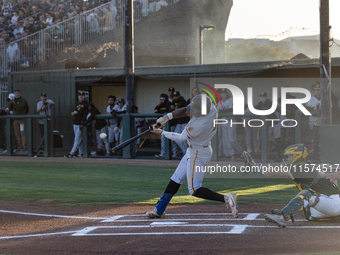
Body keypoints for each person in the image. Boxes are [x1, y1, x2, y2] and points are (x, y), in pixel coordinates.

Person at [146, 94, 238, 218]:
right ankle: (159, 209)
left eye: (196, 111)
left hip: (197, 153)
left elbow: (181, 138)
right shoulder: (211, 108)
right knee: (175, 179)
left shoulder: (200, 125)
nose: (192, 112)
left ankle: (227, 199)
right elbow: (184, 110)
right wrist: (165, 118)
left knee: (194, 190)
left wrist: (161, 132)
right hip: (196, 150)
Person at [243, 144, 340, 227]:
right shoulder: (304, 167)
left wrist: (254, 168)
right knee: (307, 211)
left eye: (290, 155)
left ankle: (282, 217)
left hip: (335, 203)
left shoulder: (301, 168)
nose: (288, 158)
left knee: (306, 194)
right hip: (330, 202)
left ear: (297, 155)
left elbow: (272, 173)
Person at [217, 88, 243, 158]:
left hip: (231, 121)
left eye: (224, 93)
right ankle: (231, 154)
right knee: (226, 140)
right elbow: (217, 110)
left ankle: (242, 152)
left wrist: (221, 111)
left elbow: (230, 109)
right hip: (223, 121)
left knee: (232, 140)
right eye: (222, 93)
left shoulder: (231, 100)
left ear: (227, 94)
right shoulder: (220, 102)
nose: (223, 95)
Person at [255, 92, 281, 161]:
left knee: (277, 139)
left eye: (263, 97)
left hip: (275, 123)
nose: (262, 98)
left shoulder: (269, 102)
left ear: (266, 97)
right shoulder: (260, 104)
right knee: (264, 139)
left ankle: (279, 156)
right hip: (267, 125)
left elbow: (276, 110)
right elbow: (255, 109)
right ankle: (265, 156)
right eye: (261, 97)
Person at [64, 91, 88, 158]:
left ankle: (71, 153)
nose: (81, 96)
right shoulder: (77, 104)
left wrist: (77, 112)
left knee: (77, 139)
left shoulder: (86, 104)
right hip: (75, 123)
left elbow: (85, 112)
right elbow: (74, 111)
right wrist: (73, 112)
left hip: (81, 124)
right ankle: (81, 153)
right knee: (79, 139)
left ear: (84, 96)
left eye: (82, 95)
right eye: (80, 95)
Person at [305, 83, 321, 160]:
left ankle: (323, 156)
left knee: (323, 140)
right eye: (316, 90)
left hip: (323, 123)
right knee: (315, 140)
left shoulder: (326, 99)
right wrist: (313, 109)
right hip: (314, 122)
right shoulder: (312, 99)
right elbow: (307, 108)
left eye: (318, 90)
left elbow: (331, 109)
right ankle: (315, 157)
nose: (317, 92)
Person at [171, 91, 189, 157]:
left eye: (176, 96)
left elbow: (179, 109)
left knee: (184, 139)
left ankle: (185, 153)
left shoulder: (182, 100)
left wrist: (174, 108)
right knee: (175, 137)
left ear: (179, 96)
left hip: (184, 122)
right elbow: (171, 108)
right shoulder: (174, 101)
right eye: (174, 96)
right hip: (179, 122)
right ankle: (185, 151)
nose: (175, 97)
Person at [154, 93, 171, 158]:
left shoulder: (168, 104)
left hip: (170, 125)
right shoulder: (160, 105)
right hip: (163, 125)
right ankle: (163, 154)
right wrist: (158, 106)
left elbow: (168, 111)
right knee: (163, 139)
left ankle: (177, 154)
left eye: (163, 99)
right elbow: (155, 111)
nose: (161, 100)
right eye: (160, 99)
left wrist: (159, 110)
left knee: (174, 140)